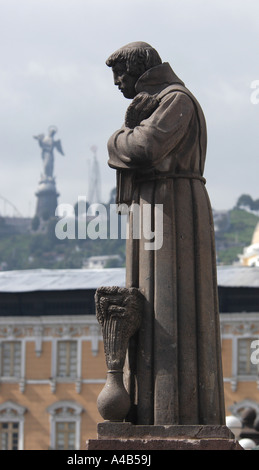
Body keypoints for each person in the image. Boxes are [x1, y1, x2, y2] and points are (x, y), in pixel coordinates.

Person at [106, 42, 225, 426]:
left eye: (120, 75)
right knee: (148, 295)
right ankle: (149, 410)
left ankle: (177, 414)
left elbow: (144, 147)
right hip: (152, 203)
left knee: (174, 301)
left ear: (141, 71)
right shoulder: (157, 102)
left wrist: (117, 138)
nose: (117, 84)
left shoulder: (176, 100)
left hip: (173, 206)